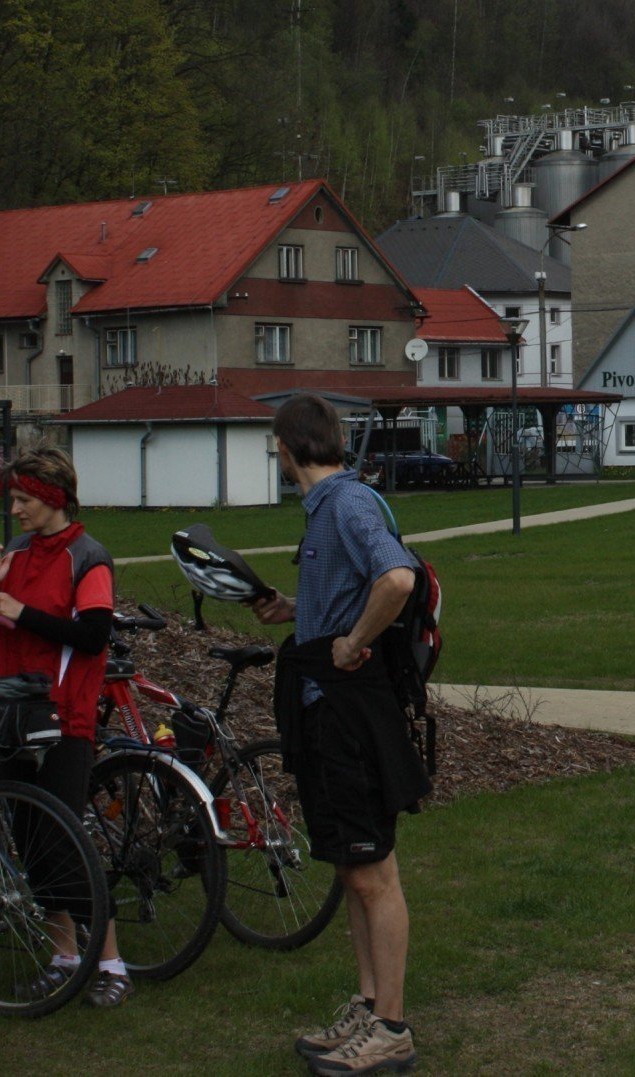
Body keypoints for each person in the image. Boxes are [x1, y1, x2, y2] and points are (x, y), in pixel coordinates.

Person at [251, 394, 426, 1077]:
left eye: (274, 444)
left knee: (373, 873)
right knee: (355, 871)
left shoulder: (347, 504)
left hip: (350, 715)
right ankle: (369, 1006)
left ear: (286, 446)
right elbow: (355, 591)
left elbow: (397, 578)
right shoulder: (327, 508)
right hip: (329, 711)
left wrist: (352, 642)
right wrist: (298, 610)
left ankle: (392, 1029)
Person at [0, 447, 131, 1007]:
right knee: (30, 843)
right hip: (13, 715)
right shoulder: (16, 551)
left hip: (65, 719)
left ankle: (111, 965)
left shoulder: (88, 557)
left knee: (63, 842)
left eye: (23, 500)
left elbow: (93, 636)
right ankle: (64, 957)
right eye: (13, 499)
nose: (15, 510)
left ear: (53, 498)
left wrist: (23, 613)